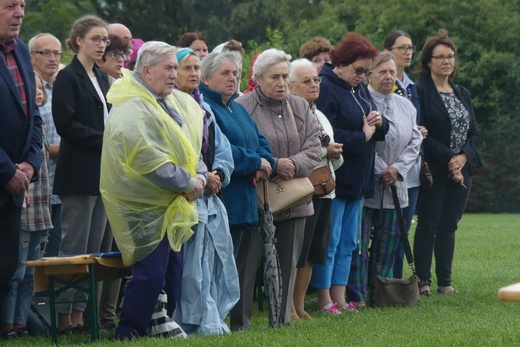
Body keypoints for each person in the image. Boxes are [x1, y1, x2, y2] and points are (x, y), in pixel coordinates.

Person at [100, 41, 207, 340]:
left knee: (172, 274)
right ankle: (129, 331)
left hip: (173, 202)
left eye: (176, 67)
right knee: (150, 274)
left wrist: (198, 175)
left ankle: (159, 323)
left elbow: (189, 145)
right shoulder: (132, 105)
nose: (175, 74)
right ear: (146, 71)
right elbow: (148, 158)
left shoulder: (168, 100)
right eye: (169, 68)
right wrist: (189, 183)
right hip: (143, 205)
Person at [235, 48, 321, 328]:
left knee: (287, 263)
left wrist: (292, 165)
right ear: (257, 78)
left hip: (296, 198)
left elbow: (314, 146)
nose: (282, 82)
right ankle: (241, 322)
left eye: (285, 76)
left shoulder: (299, 106)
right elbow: (240, 147)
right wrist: (273, 163)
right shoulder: (243, 106)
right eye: (274, 77)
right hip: (258, 197)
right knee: (248, 265)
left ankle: (282, 320)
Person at [310, 33, 387, 314]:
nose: (363, 76)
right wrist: (362, 135)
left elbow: (375, 124)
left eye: (367, 71)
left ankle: (340, 299)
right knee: (330, 241)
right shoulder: (328, 87)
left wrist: (379, 123)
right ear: (340, 63)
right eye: (358, 70)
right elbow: (327, 134)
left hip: (359, 178)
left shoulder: (359, 88)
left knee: (348, 243)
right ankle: (324, 299)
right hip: (336, 179)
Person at [172, 48, 239, 335]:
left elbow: (222, 149)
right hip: (185, 196)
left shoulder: (205, 108)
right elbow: (180, 151)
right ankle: (184, 319)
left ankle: (208, 317)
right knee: (188, 266)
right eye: (187, 68)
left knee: (209, 263)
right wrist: (203, 176)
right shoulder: (168, 106)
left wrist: (219, 174)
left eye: (197, 68)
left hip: (209, 197)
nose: (194, 74)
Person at [347, 52, 422, 306]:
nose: (388, 77)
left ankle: (384, 294)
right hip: (368, 185)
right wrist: (381, 169)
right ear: (370, 74)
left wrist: (397, 169)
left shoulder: (406, 105)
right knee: (358, 244)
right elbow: (366, 142)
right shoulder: (362, 101)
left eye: (392, 72)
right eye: (382, 72)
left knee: (389, 243)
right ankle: (357, 296)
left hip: (396, 186)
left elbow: (415, 140)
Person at [52, 14, 111, 333]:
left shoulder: (102, 78)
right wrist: (106, 139)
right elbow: (67, 124)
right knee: (73, 248)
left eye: (105, 40)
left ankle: (81, 317)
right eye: (96, 39)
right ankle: (64, 319)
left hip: (102, 175)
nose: (102, 45)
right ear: (78, 41)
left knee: (93, 250)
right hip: (78, 175)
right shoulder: (68, 77)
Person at [413, 29, 481, 295]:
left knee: (449, 225)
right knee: (428, 224)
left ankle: (445, 282)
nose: (446, 61)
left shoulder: (462, 92)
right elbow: (421, 132)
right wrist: (450, 159)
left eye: (450, 56)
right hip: (434, 168)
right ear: (428, 61)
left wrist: (463, 158)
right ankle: (423, 281)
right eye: (440, 57)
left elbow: (475, 133)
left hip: (463, 169)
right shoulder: (420, 92)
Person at [199, 51, 274, 261]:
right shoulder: (205, 107)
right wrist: (255, 162)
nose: (232, 78)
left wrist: (264, 162)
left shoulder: (236, 107)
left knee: (237, 272)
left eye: (235, 73)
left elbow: (261, 140)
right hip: (225, 202)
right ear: (206, 78)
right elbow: (220, 150)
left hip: (245, 204)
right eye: (225, 73)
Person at [288, 58, 343, 320]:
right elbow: (295, 149)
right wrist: (326, 150)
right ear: (291, 86)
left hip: (325, 189)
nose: (314, 85)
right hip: (301, 189)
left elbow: (334, 153)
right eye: (306, 81)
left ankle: (298, 305)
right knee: (296, 251)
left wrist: (333, 152)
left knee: (312, 251)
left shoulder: (319, 113)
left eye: (316, 79)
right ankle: (288, 306)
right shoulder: (289, 112)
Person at [1, 72, 52, 340]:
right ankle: (7, 323)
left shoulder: (38, 126)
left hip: (41, 206)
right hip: (23, 203)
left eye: (41, 87)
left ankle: (21, 323)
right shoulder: (18, 131)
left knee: (31, 269)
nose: (38, 92)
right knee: (15, 269)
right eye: (34, 88)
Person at [0, 0, 43, 313]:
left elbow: (34, 116)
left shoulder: (21, 51)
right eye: (9, 6)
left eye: (23, 5)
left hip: (15, 187)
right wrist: (6, 171)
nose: (20, 13)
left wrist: (31, 162)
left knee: (5, 270)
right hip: (6, 178)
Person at [383, 30, 428, 279]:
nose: (408, 52)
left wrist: (419, 130)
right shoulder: (385, 84)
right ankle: (387, 280)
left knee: (404, 229)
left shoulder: (411, 86)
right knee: (389, 231)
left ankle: (398, 281)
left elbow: (413, 121)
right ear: (388, 51)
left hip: (411, 168)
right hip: (387, 167)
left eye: (410, 47)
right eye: (402, 48)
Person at [28, 33, 63, 257]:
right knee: (37, 257)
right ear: (32, 57)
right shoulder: (32, 92)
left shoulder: (60, 88)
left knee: (57, 251)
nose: (53, 58)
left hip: (62, 188)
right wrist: (68, 151)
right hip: (38, 189)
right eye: (45, 53)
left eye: (57, 53)